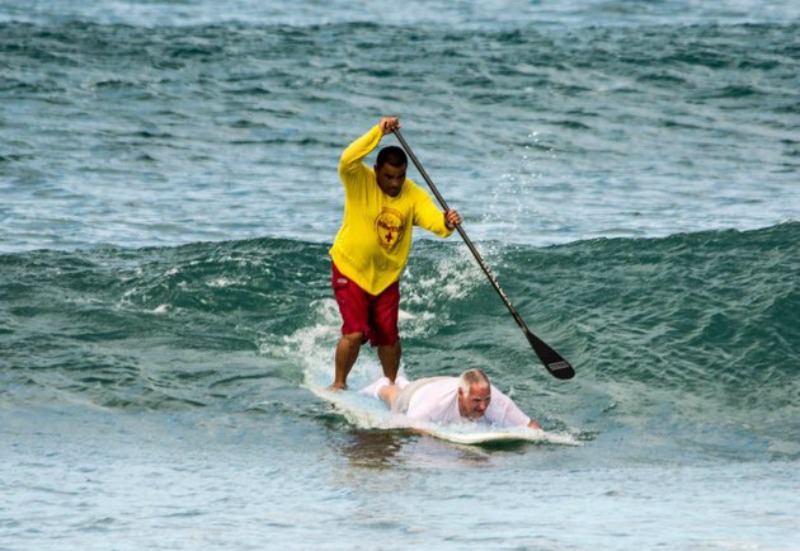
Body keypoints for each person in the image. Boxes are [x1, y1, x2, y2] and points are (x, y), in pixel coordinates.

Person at [329, 116, 462, 390]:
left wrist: (447, 223)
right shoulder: (358, 179)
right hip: (350, 269)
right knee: (354, 333)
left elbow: (433, 220)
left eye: (400, 177)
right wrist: (378, 132)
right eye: (388, 176)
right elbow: (347, 158)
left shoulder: (412, 194)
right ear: (376, 169)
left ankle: (391, 386)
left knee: (389, 336)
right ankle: (339, 385)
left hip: (387, 277)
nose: (394, 183)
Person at [366, 368, 542, 430]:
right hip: (418, 394)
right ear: (461, 394)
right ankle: (381, 385)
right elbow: (406, 426)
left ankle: (404, 382)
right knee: (395, 396)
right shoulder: (433, 405)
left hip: (443, 383)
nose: (483, 406)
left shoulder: (495, 400)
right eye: (476, 401)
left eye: (486, 399)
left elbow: (530, 426)